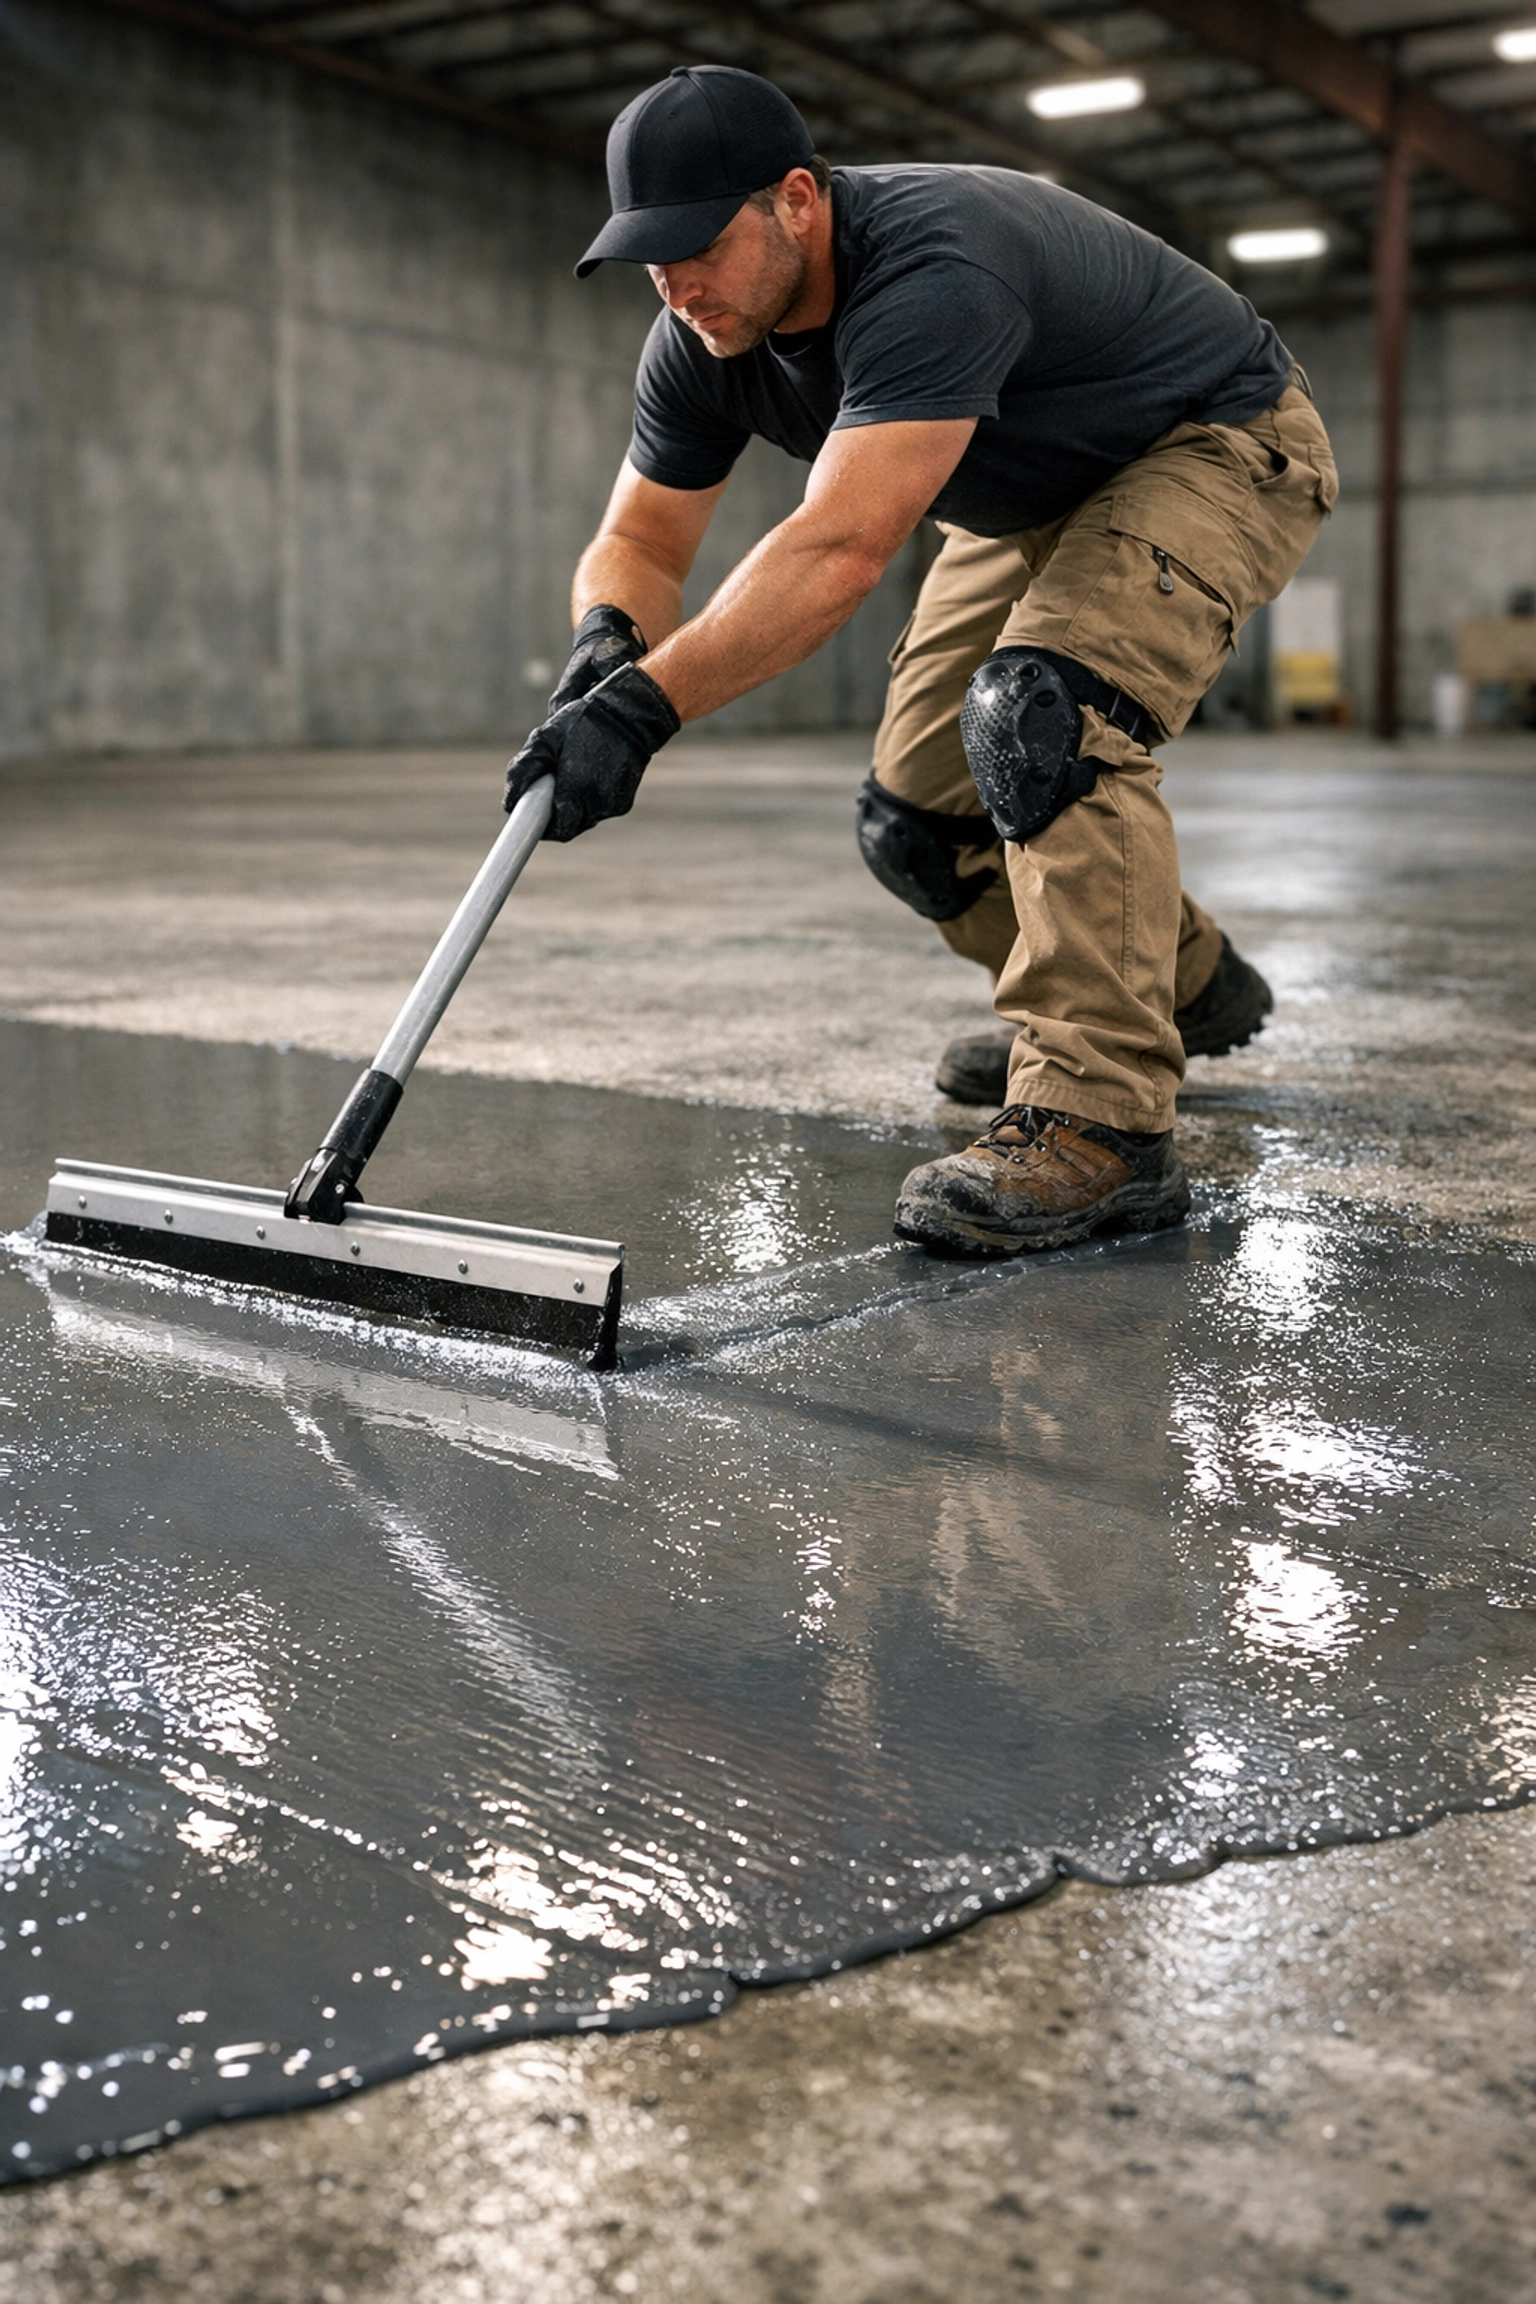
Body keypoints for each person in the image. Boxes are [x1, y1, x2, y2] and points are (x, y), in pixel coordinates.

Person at [504, 65, 1337, 1259]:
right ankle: (1157, 989)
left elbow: (839, 547)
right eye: (650, 256)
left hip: (1209, 438)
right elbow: (640, 537)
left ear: (797, 200)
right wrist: (608, 637)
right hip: (1022, 493)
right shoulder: (698, 333)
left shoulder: (933, 266)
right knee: (916, 821)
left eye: (698, 245)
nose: (676, 284)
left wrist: (644, 712)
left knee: (1038, 717)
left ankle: (1100, 1115)